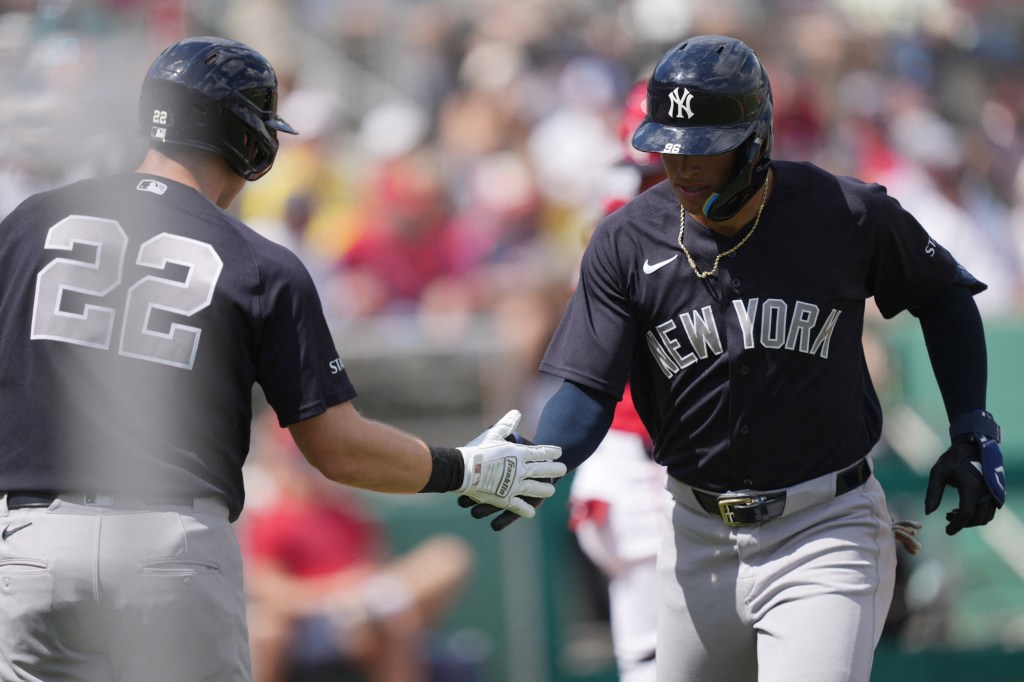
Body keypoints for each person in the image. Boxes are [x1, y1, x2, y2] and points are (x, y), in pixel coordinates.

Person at [0, 36, 564, 682]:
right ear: (250, 140)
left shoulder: (25, 225)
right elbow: (339, 449)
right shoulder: (257, 263)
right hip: (167, 550)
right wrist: (463, 469)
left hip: (33, 546)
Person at [461, 35, 1005, 682]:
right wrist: (538, 457)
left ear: (754, 143)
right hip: (695, 532)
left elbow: (944, 295)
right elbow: (587, 390)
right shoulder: (624, 240)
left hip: (823, 527)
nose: (682, 167)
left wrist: (972, 425)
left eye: (703, 151)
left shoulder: (844, 212)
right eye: (668, 147)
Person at [242, 414, 476, 682]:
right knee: (265, 628)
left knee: (440, 564)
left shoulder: (348, 511)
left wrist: (364, 599)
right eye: (299, 460)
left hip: (365, 613)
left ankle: (378, 609)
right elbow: (267, 590)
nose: (307, 469)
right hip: (311, 622)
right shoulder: (271, 515)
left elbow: (373, 567)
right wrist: (336, 595)